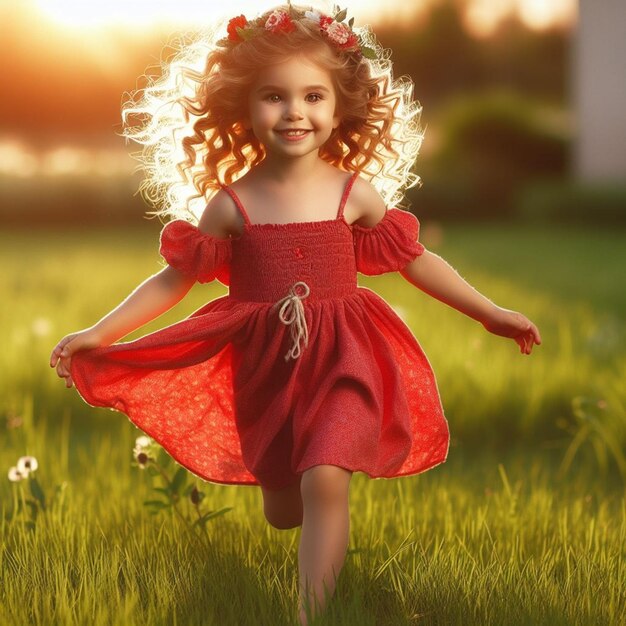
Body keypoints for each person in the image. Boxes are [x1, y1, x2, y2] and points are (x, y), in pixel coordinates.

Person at [49, 3, 541, 624]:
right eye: (274, 97)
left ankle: (313, 615)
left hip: (345, 353)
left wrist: (490, 312)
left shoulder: (352, 194)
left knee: (326, 479)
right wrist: (97, 333)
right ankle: (302, 518)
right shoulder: (230, 206)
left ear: (339, 109)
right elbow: (171, 283)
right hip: (267, 367)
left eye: (313, 96)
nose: (295, 112)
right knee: (286, 504)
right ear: (244, 107)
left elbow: (418, 261)